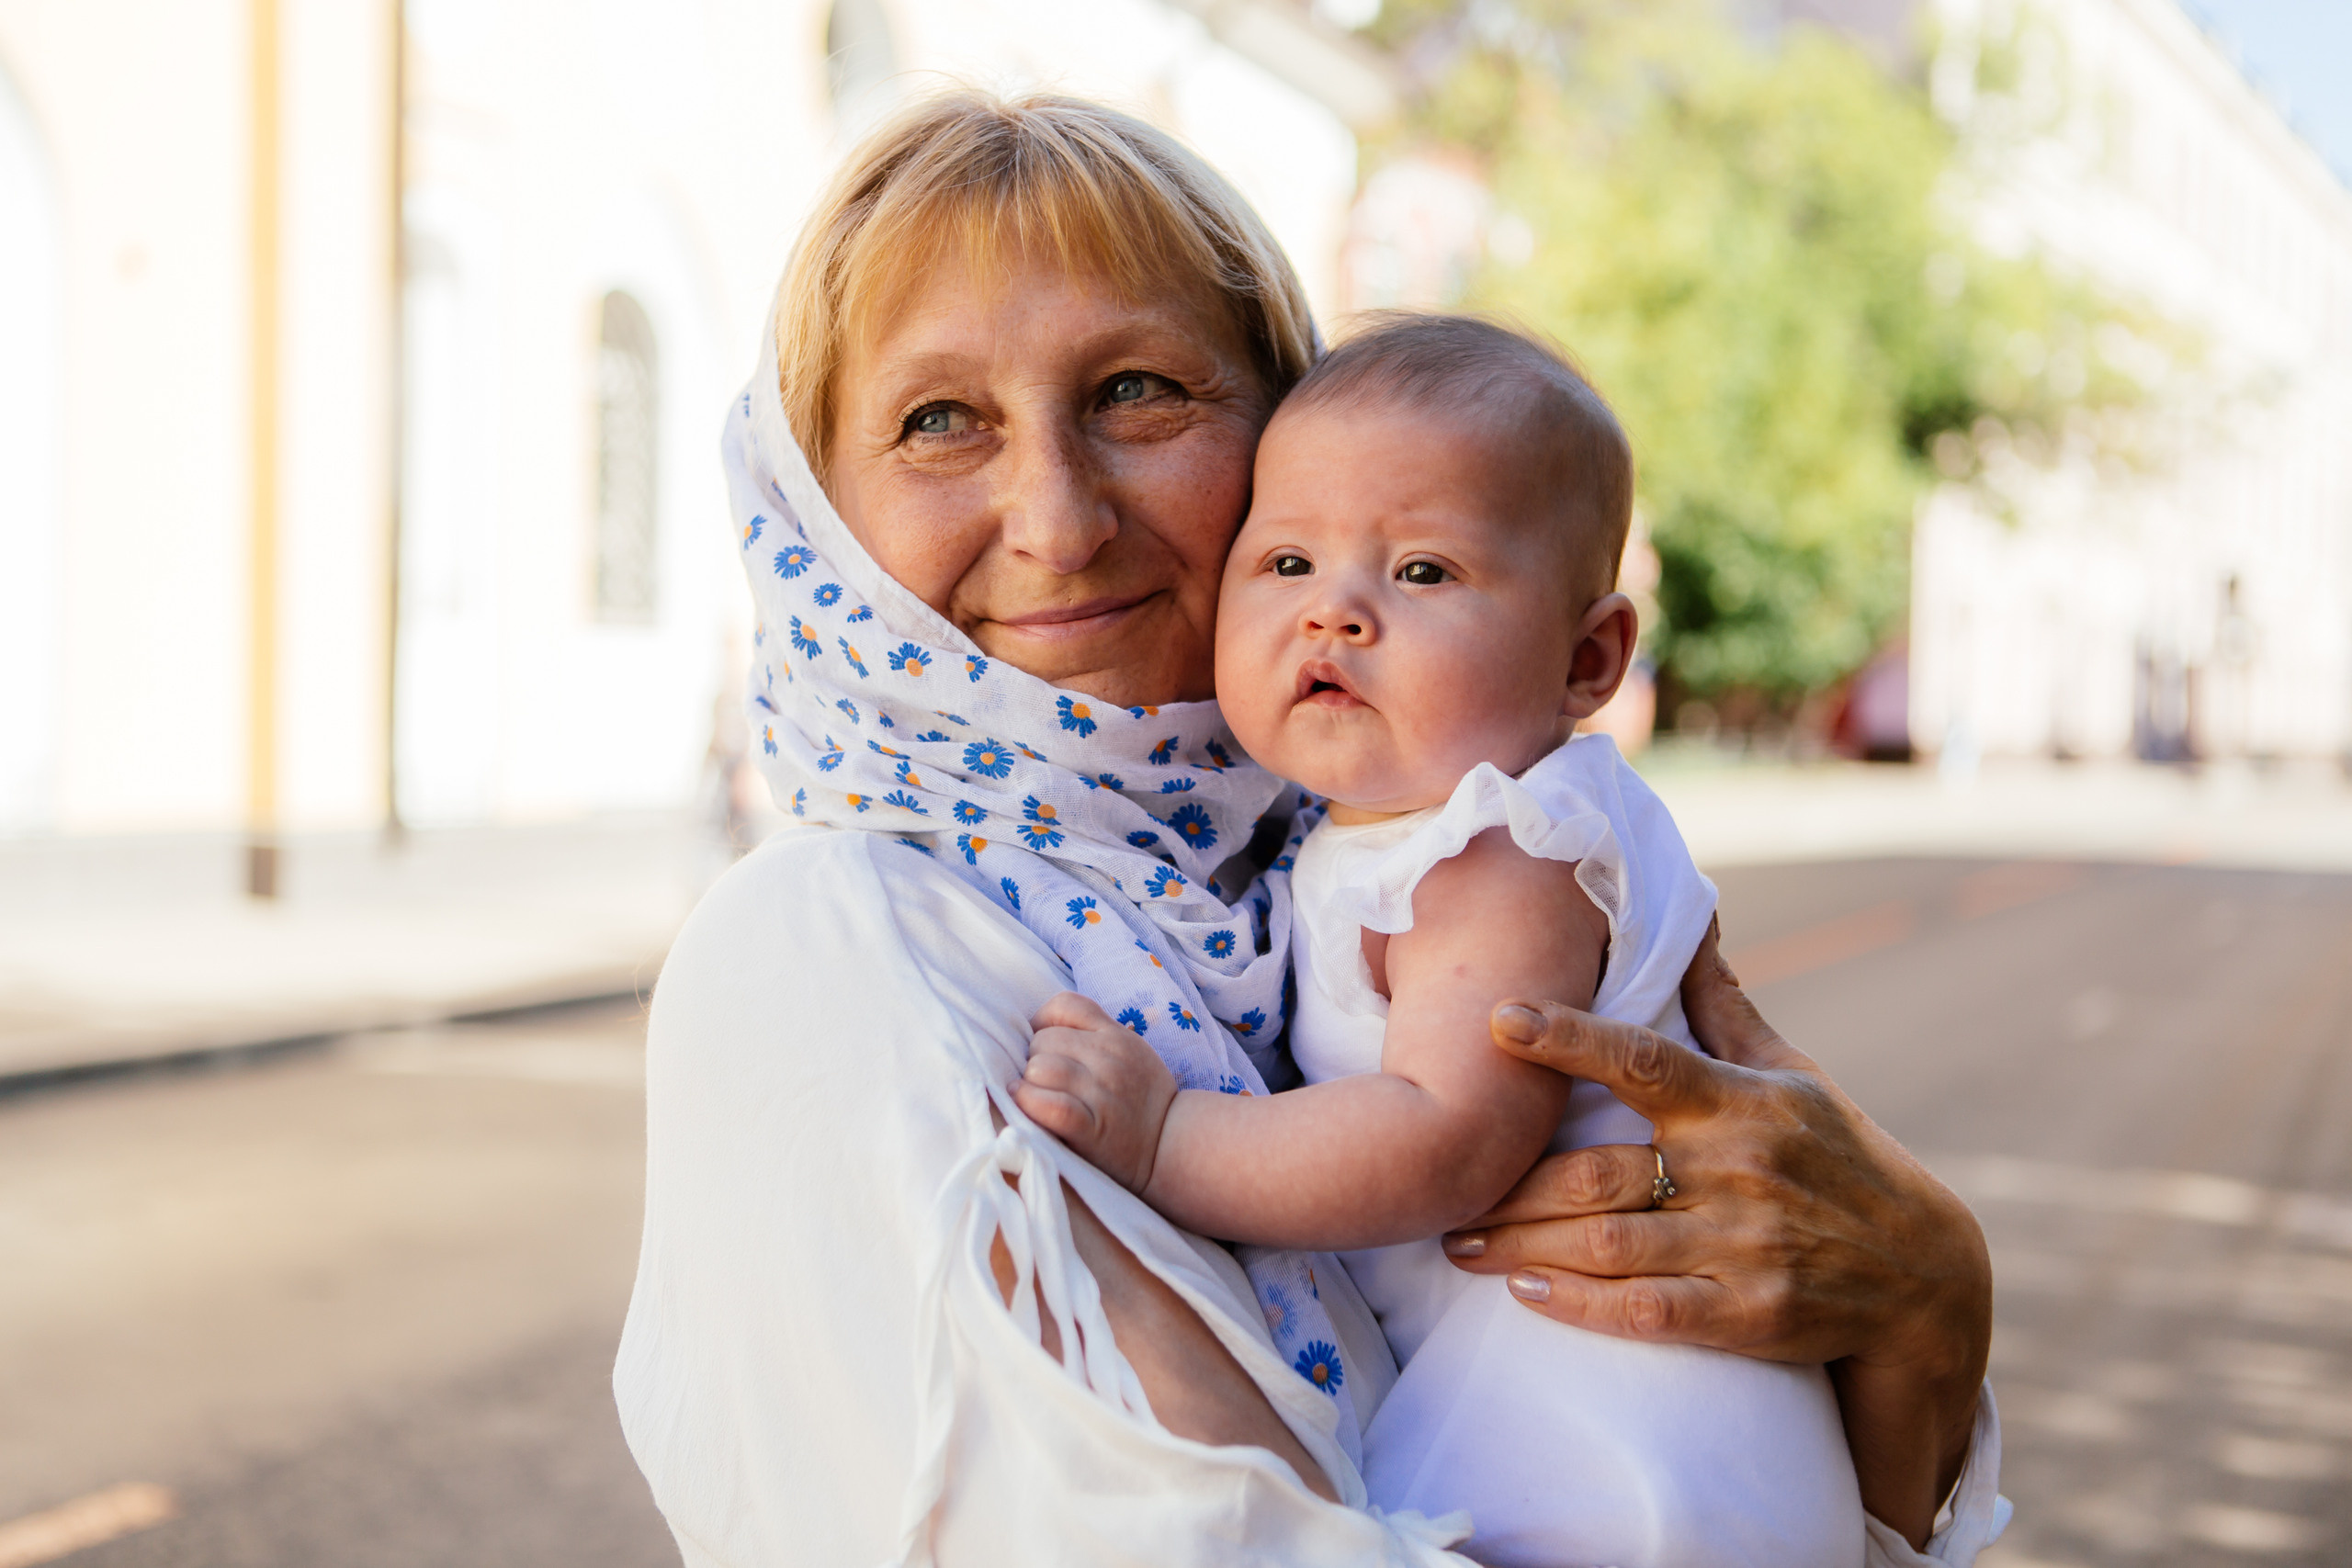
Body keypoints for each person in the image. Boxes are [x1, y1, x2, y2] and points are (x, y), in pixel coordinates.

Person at [615, 88, 2007, 1567]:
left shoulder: (1325, 880)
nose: (1058, 517)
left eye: (1138, 392)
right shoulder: (831, 950)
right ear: (818, 516)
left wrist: (1925, 1316)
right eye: (939, 420)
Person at [1014, 314, 1863, 1566]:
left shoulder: (1499, 846)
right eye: (1287, 562)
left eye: (1420, 574)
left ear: (1588, 659)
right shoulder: (1379, 828)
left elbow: (1446, 1131)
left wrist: (1169, 1136)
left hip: (1629, 1442)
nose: (1334, 617)